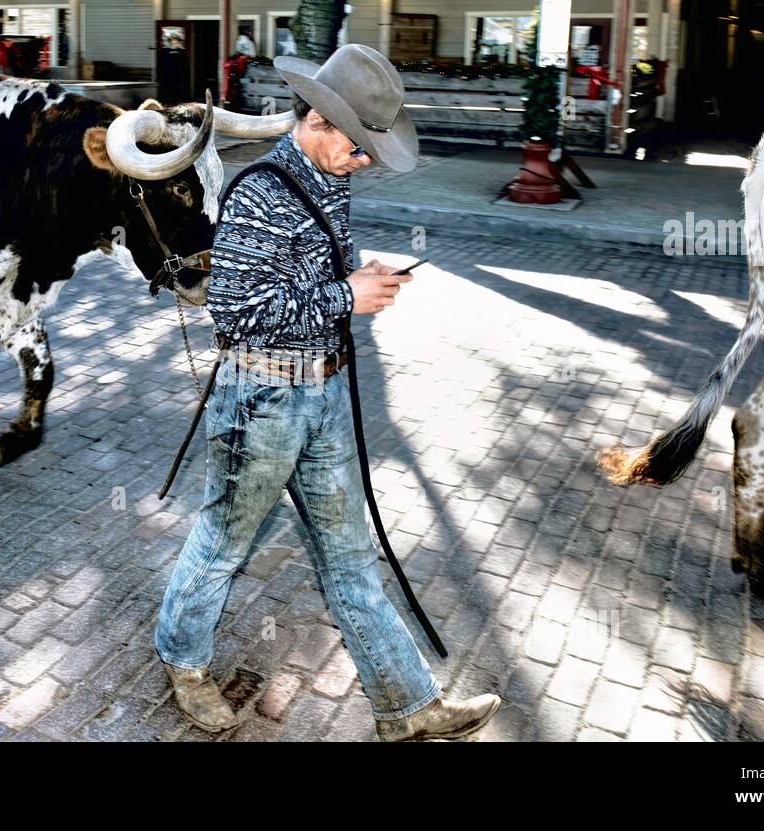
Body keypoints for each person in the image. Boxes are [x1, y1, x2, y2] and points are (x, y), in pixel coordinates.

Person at [153, 43, 503, 742]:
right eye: (359, 145)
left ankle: (407, 706)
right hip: (261, 403)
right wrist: (347, 294)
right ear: (316, 120)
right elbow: (236, 312)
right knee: (224, 542)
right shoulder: (260, 192)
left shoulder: (328, 177)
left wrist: (356, 281)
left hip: (326, 392)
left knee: (349, 556)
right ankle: (183, 660)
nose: (365, 160)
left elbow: (307, 282)